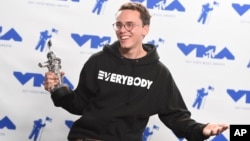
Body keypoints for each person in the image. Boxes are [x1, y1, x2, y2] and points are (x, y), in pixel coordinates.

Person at [44, 2, 228, 141]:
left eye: (130, 25)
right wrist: (59, 90)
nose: (123, 30)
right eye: (119, 25)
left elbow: (176, 116)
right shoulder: (98, 61)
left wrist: (201, 129)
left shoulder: (158, 73)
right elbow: (81, 105)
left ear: (145, 30)